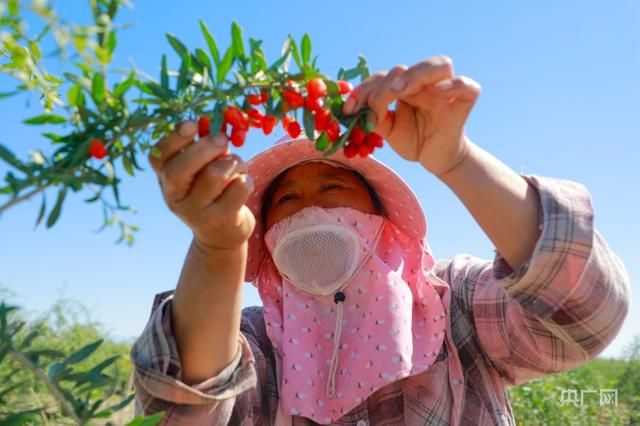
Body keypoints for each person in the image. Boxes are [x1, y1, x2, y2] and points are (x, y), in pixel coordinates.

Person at [130, 56, 630, 425]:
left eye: (333, 188)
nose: (310, 209)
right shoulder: (260, 341)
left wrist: (456, 160)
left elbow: (584, 314)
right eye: (286, 202)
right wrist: (217, 247)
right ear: (264, 243)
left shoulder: (453, 307)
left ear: (382, 218)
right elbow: (188, 408)